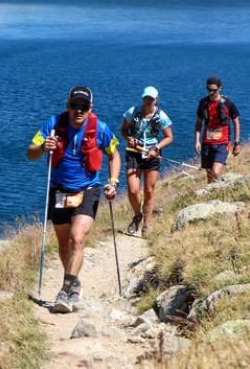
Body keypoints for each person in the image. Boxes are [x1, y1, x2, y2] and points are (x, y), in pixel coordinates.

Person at [26, 86, 120, 313]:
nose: (79, 110)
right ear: (67, 106)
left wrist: (113, 181)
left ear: (90, 108)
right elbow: (30, 152)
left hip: (88, 189)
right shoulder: (53, 124)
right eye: (74, 106)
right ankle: (74, 282)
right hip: (59, 191)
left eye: (83, 106)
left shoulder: (101, 129)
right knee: (63, 243)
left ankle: (66, 288)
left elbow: (114, 154)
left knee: (77, 238)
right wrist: (42, 147)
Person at [121, 86, 174, 237]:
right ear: (142, 98)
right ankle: (138, 215)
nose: (148, 101)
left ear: (156, 99)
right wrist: (129, 138)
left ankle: (147, 224)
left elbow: (169, 137)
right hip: (134, 153)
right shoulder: (133, 112)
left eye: (151, 98)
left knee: (149, 190)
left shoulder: (161, 116)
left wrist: (156, 148)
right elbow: (123, 130)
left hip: (152, 155)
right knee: (132, 190)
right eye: (146, 98)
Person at [194, 76, 241, 183]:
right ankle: (212, 195)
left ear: (220, 88)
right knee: (210, 175)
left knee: (215, 172)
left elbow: (236, 121)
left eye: (213, 90)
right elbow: (198, 124)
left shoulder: (228, 103)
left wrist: (237, 143)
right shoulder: (203, 103)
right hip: (207, 144)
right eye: (208, 90)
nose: (210, 93)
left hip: (223, 144)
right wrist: (197, 141)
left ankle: (219, 189)